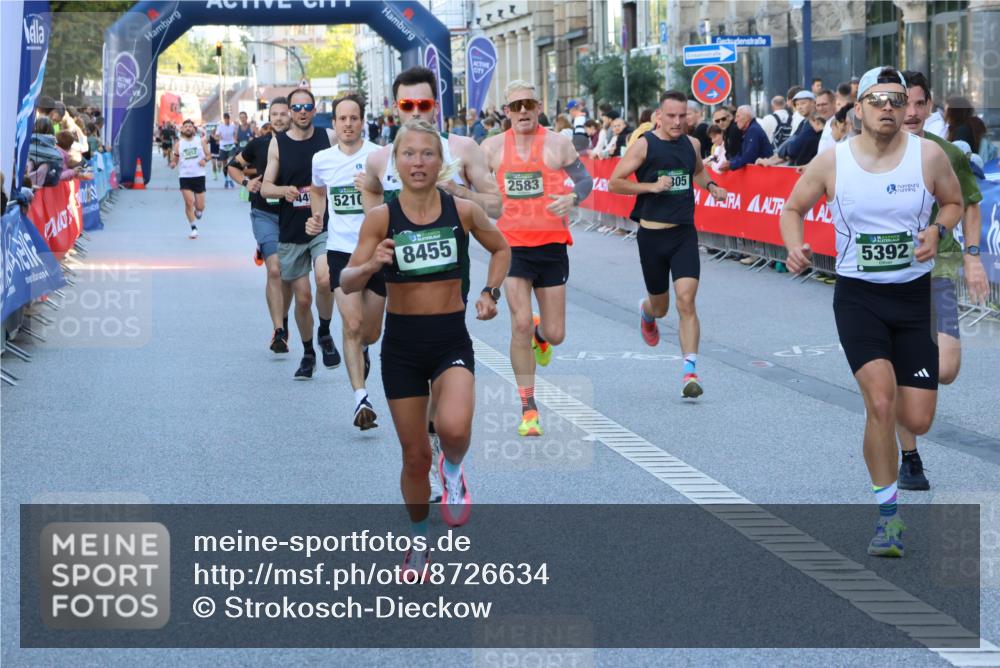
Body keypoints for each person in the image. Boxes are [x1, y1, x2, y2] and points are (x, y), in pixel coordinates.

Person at [780, 66, 963, 558]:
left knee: (917, 419)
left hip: (914, 297)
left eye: (897, 100)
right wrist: (795, 247)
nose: (888, 107)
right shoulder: (832, 161)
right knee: (880, 403)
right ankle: (888, 517)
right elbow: (792, 208)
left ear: (908, 108)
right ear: (857, 108)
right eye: (877, 99)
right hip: (859, 297)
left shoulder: (928, 156)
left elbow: (953, 202)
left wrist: (937, 231)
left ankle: (900, 451)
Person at [340, 118, 510, 576]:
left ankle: (453, 469)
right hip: (402, 346)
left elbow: (501, 249)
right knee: (414, 456)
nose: (419, 162)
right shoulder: (381, 218)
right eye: (409, 154)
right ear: (395, 162)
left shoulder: (463, 211)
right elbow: (347, 279)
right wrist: (371, 263)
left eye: (427, 153)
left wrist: (490, 293)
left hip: (450, 337)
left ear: (442, 162)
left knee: (453, 429)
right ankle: (418, 543)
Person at [362, 65, 503, 500]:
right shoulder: (381, 157)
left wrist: (464, 196)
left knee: (450, 418)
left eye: (423, 103)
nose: (416, 110)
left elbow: (495, 206)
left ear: (435, 105)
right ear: (395, 107)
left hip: (447, 286)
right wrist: (371, 252)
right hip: (392, 271)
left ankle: (445, 444)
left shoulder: (462, 148)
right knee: (365, 333)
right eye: (408, 104)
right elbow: (368, 199)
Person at [481, 79, 593, 437]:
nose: (524, 111)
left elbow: (586, 181)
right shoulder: (492, 148)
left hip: (551, 245)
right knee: (519, 325)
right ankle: (528, 408)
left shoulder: (559, 144)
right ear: (507, 111)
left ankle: (541, 336)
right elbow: (475, 184)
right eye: (516, 106)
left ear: (539, 105)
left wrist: (573, 199)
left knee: (556, 333)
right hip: (511, 246)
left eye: (529, 104)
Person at [895, 70, 990, 490]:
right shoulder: (863, 153)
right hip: (888, 278)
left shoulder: (944, 152)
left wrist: (973, 258)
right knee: (902, 368)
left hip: (938, 270)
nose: (912, 113)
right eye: (904, 103)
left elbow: (970, 204)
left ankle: (905, 382)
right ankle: (909, 456)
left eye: (920, 104)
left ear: (930, 107)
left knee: (946, 368)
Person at [609, 90, 729, 398]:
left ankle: (690, 371)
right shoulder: (644, 145)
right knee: (661, 307)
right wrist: (651, 186)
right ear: (659, 117)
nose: (678, 122)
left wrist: (713, 186)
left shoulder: (693, 144)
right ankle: (647, 312)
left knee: (686, 300)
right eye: (671, 116)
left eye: (683, 116)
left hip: (683, 233)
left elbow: (698, 174)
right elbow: (615, 182)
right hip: (652, 236)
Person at [306, 93, 385, 430]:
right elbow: (318, 190)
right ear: (334, 124)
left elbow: (394, 198)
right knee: (351, 325)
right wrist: (317, 218)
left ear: (361, 121)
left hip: (377, 251)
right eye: (342, 119)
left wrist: (374, 188)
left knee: (371, 331)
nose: (348, 124)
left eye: (354, 118)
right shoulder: (322, 158)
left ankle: (364, 349)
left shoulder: (379, 157)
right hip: (341, 251)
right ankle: (360, 399)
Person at [260, 88, 340, 380]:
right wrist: (284, 191)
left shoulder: (328, 137)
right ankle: (308, 353)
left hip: (321, 224)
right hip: (292, 230)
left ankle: (325, 331)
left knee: (325, 277)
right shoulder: (278, 144)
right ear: (290, 112)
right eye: (296, 108)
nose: (302, 112)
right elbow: (265, 186)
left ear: (315, 109)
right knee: (303, 299)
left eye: (307, 106)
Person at [227, 97, 294, 354]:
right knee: (275, 270)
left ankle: (283, 316)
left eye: (283, 114)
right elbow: (232, 166)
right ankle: (279, 331)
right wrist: (247, 183)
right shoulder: (259, 144)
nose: (278, 118)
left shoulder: (304, 145)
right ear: (269, 117)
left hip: (292, 216)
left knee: (289, 274)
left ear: (290, 116)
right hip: (264, 213)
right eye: (274, 114)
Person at [168, 119, 210, 239]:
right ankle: (193, 228)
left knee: (200, 206)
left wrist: (204, 160)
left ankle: (198, 211)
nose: (188, 128)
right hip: (185, 176)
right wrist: (173, 164)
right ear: (182, 129)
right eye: (185, 126)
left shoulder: (200, 141)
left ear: (194, 129)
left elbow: (209, 155)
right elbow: (175, 159)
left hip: (199, 176)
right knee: (189, 202)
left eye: (190, 126)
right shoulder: (178, 144)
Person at [716, 106, 773, 171]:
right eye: (717, 121)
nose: (735, 120)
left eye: (738, 116)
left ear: (747, 117)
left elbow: (749, 156)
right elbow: (742, 153)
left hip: (764, 172)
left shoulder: (753, 130)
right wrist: (731, 162)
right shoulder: (749, 130)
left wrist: (731, 164)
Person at [214, 113, 239, 188]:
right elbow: (216, 136)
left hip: (231, 146)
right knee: (224, 164)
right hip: (223, 147)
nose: (227, 120)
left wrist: (235, 139)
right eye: (225, 119)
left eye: (228, 119)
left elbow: (235, 135)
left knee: (231, 162)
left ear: (229, 119)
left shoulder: (232, 126)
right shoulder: (220, 127)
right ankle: (226, 179)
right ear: (224, 119)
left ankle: (231, 179)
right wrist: (219, 137)